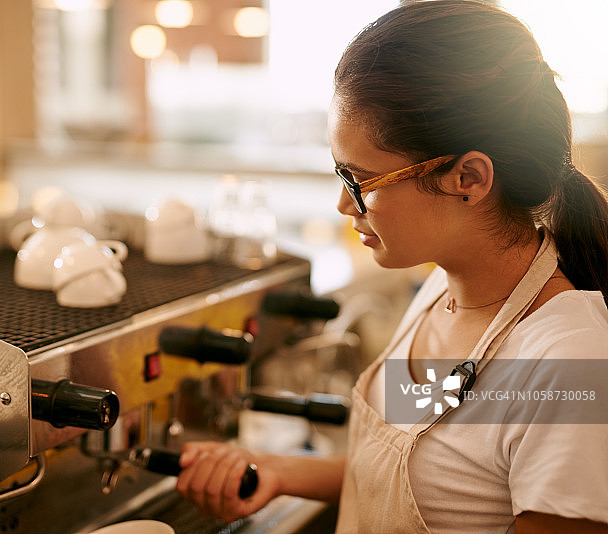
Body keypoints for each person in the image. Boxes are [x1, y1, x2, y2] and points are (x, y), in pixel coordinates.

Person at [174, 1, 608, 532]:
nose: (342, 204)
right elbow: (444, 470)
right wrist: (283, 471)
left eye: (359, 180)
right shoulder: (440, 290)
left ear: (468, 178)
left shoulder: (568, 365)